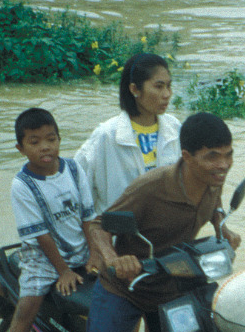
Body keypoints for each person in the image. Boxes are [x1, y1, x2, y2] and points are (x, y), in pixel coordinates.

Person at [24, 111, 241, 332]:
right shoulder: (152, 187)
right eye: (212, 157)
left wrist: (225, 229)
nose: (223, 165)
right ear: (187, 157)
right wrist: (112, 258)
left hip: (171, 287)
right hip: (125, 290)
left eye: (228, 155)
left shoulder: (211, 181)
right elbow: (99, 225)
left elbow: (214, 210)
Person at [0, 108, 101, 332]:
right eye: (35, 141)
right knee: (26, 310)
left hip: (81, 250)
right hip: (42, 260)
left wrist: (96, 253)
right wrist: (63, 271)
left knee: (122, 289)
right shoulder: (22, 185)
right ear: (21, 148)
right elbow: (41, 236)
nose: (45, 147)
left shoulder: (72, 169)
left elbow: (87, 215)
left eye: (51, 139)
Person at [73, 52, 181, 215]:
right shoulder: (107, 135)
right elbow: (78, 185)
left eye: (169, 86)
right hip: (119, 234)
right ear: (134, 89)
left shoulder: (174, 128)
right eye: (159, 86)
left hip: (163, 230)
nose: (167, 94)